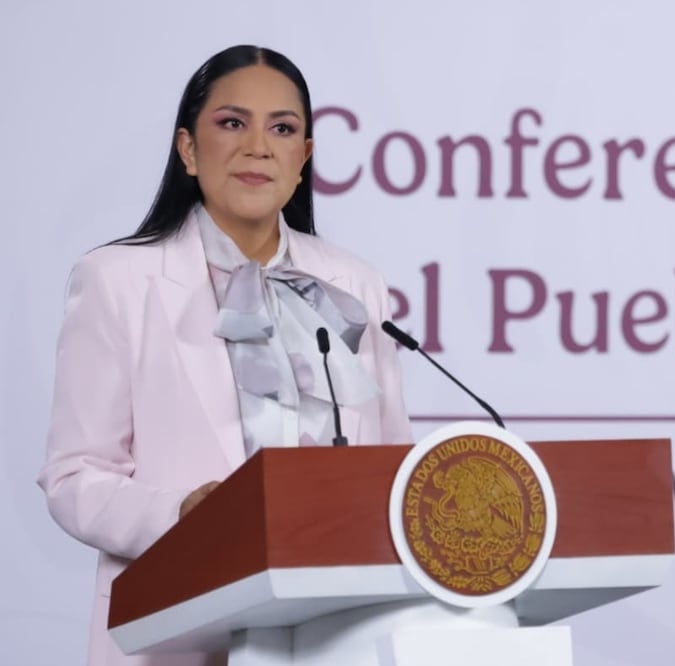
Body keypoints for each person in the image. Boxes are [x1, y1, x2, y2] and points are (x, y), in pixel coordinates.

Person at [36, 45, 413, 666]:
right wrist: (177, 513)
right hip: (178, 628)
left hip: (338, 632)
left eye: (283, 129)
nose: (258, 147)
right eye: (232, 123)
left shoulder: (356, 287)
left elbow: (392, 467)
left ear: (304, 159)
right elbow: (73, 474)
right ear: (188, 148)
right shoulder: (116, 279)